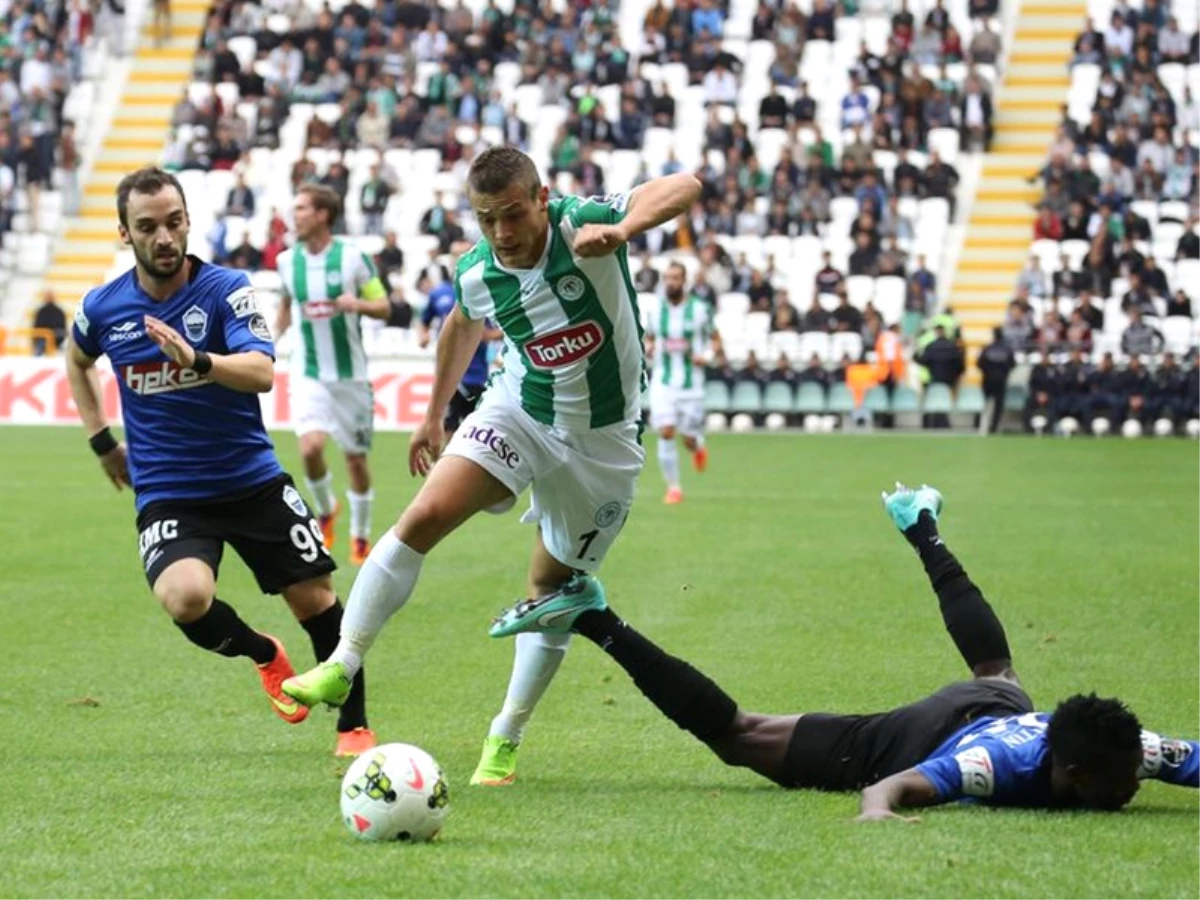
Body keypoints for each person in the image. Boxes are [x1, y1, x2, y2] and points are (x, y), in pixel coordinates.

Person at [283, 147, 702, 786]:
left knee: (550, 592)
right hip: (518, 409)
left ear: (540, 198)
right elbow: (461, 323)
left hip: (603, 443)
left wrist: (620, 231)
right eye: (487, 220)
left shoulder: (578, 223)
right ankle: (344, 661)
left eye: (512, 214)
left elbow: (683, 184)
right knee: (424, 515)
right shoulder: (478, 269)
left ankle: (504, 736)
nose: (502, 234)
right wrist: (431, 415)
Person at [488, 485, 1200, 816]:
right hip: (915, 739)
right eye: (1127, 778)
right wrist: (880, 816)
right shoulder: (992, 767)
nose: (1138, 781)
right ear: (1072, 771)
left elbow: (1189, 758)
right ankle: (593, 616)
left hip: (1002, 707)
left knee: (1001, 675)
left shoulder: (1126, 747)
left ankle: (918, 522)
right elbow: (889, 788)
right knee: (740, 737)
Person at [63, 167, 374, 758]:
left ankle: (353, 726)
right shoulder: (103, 308)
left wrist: (197, 359)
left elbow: (260, 372)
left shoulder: (226, 289)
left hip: (250, 480)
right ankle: (263, 654)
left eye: (173, 222)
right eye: (147, 226)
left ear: (188, 223)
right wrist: (102, 442)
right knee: (185, 599)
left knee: (316, 600)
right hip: (170, 492)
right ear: (125, 233)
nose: (163, 237)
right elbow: (75, 361)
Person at [274, 184, 392, 566]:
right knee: (309, 449)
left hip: (351, 377)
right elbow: (285, 306)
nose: (296, 215)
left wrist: (357, 303)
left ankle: (360, 537)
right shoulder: (286, 261)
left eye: (302, 208)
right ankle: (326, 510)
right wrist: (268, 342)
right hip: (307, 371)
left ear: (323, 214)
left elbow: (384, 305)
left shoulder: (354, 258)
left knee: (355, 460)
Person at [645, 261, 721, 505]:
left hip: (692, 386)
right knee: (666, 431)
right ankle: (674, 488)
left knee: (687, 439)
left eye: (675, 278)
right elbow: (650, 338)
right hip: (663, 383)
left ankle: (697, 445)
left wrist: (706, 356)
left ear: (684, 280)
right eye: (667, 278)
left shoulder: (700, 309)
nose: (671, 282)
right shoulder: (656, 311)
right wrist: (648, 348)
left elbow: (716, 340)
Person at [417, 269, 502, 433]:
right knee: (450, 423)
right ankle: (445, 455)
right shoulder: (439, 293)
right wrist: (424, 335)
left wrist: (491, 334)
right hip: (451, 372)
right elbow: (424, 321)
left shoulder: (485, 292)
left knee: (476, 426)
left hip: (478, 372)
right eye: (455, 254)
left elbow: (493, 333)